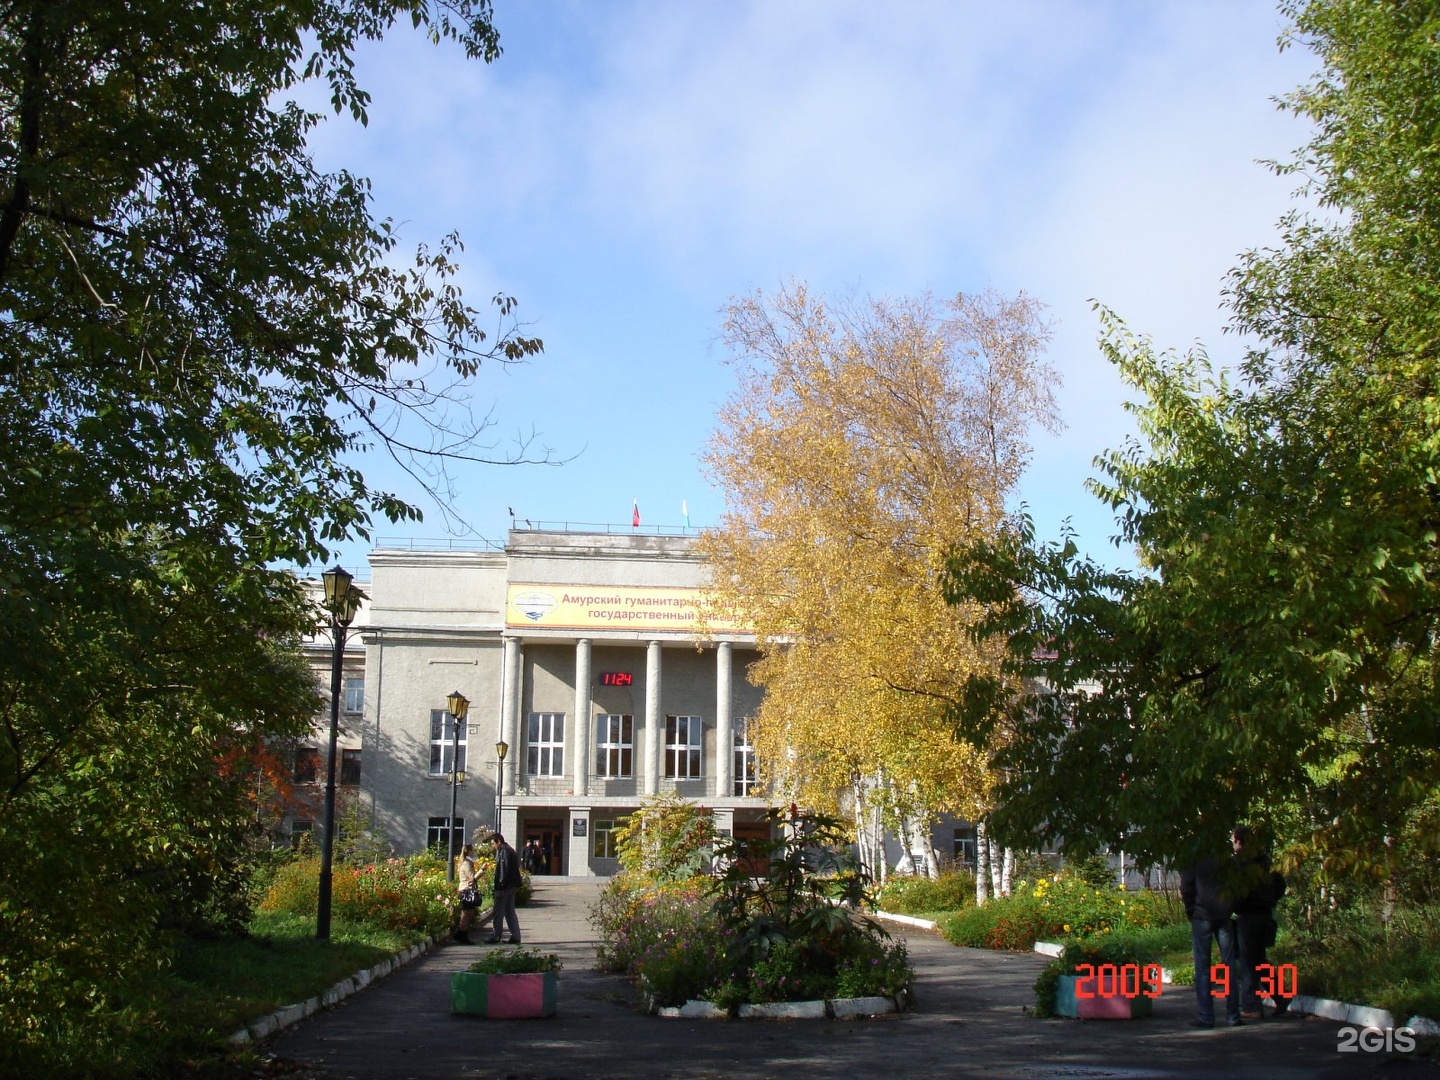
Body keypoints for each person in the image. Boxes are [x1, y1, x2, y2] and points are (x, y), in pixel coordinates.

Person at [1180, 842, 1242, 1028]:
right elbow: (1236, 884)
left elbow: (1186, 886)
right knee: (1229, 965)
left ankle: (1206, 1016)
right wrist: (1230, 906)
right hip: (1223, 915)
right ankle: (1233, 1016)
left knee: (1203, 968)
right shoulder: (1226, 856)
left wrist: (1191, 909)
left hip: (1202, 915)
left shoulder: (1194, 855)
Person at [1232, 826, 1289, 1018]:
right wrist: (1271, 899)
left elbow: (1234, 889)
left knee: (1248, 961)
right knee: (1259, 959)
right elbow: (1280, 883)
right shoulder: (1264, 860)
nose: (1233, 845)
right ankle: (1280, 995)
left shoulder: (1240, 863)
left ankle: (1251, 1006)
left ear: (1240, 841)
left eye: (1233, 841)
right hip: (1264, 914)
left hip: (1247, 915)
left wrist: (1235, 903)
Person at [478, 832, 522, 945]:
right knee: (510, 911)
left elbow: (504, 870)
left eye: (493, 843)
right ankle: (516, 936)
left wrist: (500, 887)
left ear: (499, 842)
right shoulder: (510, 850)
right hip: (511, 886)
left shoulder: (504, 852)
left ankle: (496, 936)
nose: (493, 846)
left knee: (498, 912)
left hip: (504, 887)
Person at [453, 843, 480, 945]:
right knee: (466, 914)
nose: (473, 851)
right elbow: (472, 878)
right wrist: (481, 870)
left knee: (469, 913)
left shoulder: (466, 862)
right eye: (472, 850)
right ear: (468, 851)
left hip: (465, 890)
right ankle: (461, 935)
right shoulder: (466, 864)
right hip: (466, 891)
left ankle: (460, 933)